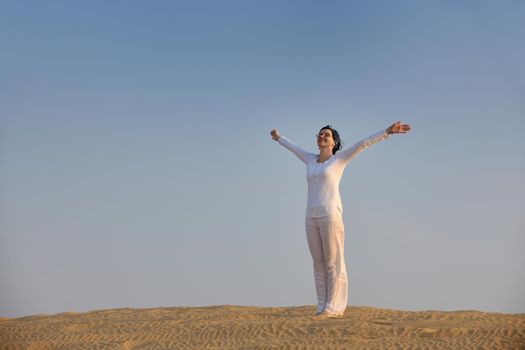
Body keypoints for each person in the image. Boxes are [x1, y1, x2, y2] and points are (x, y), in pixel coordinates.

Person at [270, 121, 411, 317]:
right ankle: (321, 306)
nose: (322, 137)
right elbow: (294, 148)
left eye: (326, 135)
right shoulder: (310, 160)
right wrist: (279, 138)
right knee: (318, 262)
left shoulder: (339, 160)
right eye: (320, 134)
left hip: (330, 215)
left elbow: (363, 144)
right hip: (310, 216)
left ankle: (333, 307)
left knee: (332, 262)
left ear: (334, 142)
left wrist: (387, 132)